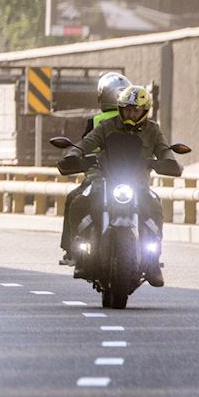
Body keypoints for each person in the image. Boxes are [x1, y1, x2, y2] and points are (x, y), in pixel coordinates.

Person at [60, 85, 179, 287]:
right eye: (127, 109)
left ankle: (153, 261)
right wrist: (75, 153)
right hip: (105, 177)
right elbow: (88, 141)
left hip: (137, 180)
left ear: (145, 110)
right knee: (80, 201)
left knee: (154, 205)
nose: (131, 113)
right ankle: (78, 251)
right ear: (121, 108)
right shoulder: (108, 125)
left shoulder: (152, 129)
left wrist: (169, 161)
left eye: (136, 110)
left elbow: (164, 150)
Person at [59, 72, 131, 263]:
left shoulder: (96, 121)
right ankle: (154, 258)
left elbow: (83, 146)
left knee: (74, 200)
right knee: (153, 204)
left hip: (100, 175)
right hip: (130, 177)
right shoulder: (136, 117)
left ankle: (72, 249)